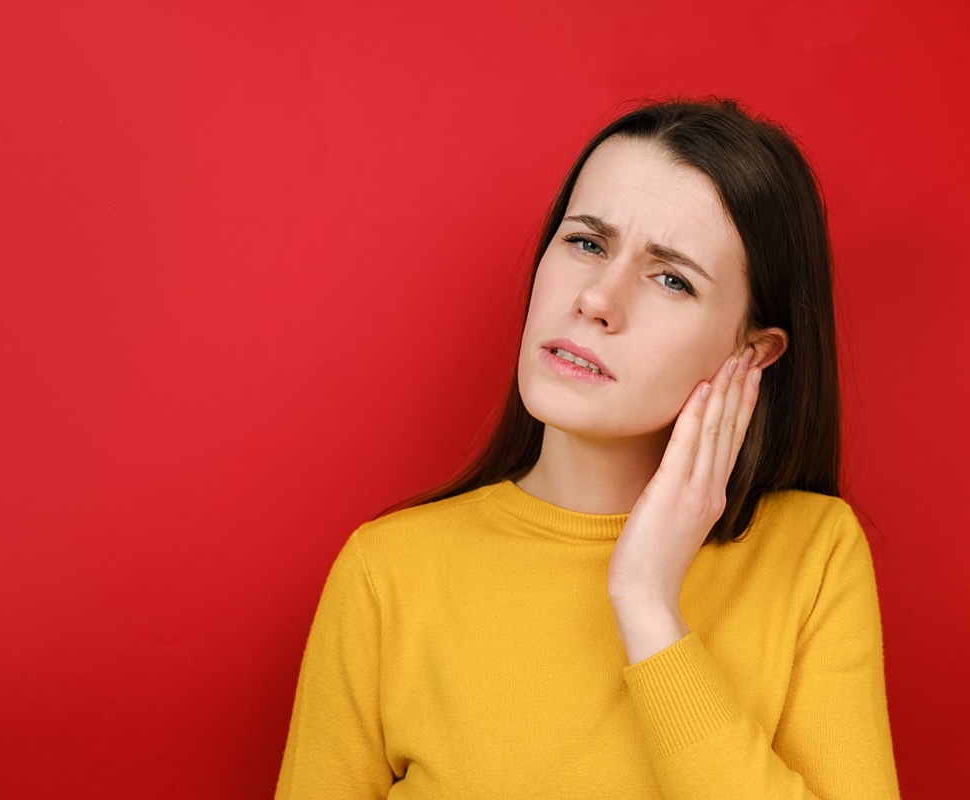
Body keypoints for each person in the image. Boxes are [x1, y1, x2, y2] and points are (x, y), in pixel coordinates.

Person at [275, 98, 900, 799]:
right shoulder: (387, 572)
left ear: (751, 354)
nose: (598, 298)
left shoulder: (812, 556)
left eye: (672, 278)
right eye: (586, 243)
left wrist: (646, 603)